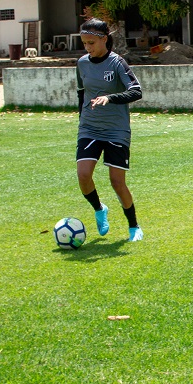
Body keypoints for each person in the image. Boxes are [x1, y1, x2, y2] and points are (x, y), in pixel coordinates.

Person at [75, 18, 144, 242]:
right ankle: (99, 209)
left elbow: (136, 91)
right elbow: (81, 93)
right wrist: (82, 118)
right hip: (89, 128)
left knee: (117, 182)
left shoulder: (117, 63)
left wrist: (110, 98)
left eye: (91, 43)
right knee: (83, 175)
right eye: (84, 43)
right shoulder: (82, 63)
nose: (88, 48)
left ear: (104, 39)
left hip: (116, 130)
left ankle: (134, 226)